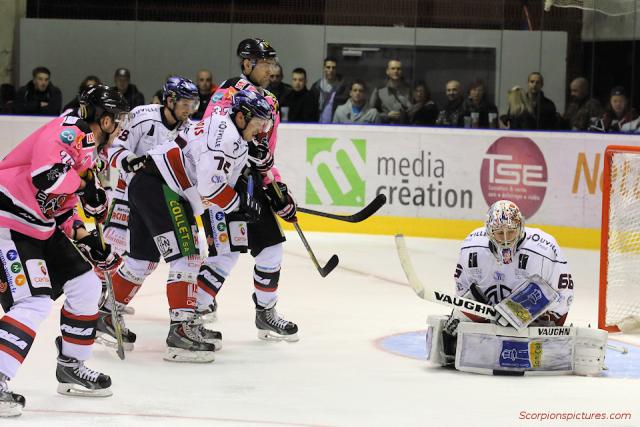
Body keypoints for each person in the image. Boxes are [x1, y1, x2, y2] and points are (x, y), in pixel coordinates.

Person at [0, 85, 128, 417]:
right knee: (33, 301)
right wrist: (86, 188)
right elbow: (47, 177)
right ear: (104, 118)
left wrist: (91, 242)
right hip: (8, 224)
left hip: (39, 226)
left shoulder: (88, 148)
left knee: (87, 284)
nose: (121, 126)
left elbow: (61, 207)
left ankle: (71, 365)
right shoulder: (65, 130)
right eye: (118, 119)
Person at [194, 38, 299, 343]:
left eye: (272, 64)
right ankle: (191, 316)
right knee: (224, 256)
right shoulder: (227, 92)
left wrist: (275, 187)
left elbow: (267, 153)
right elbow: (213, 136)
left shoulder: (272, 101)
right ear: (247, 64)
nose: (271, 70)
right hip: (223, 185)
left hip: (252, 183)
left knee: (271, 248)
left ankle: (266, 314)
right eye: (265, 64)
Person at [98, 77, 206, 357]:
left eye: (194, 104)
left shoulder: (190, 127)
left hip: (165, 196)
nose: (190, 110)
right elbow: (113, 150)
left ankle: (107, 314)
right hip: (133, 193)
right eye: (185, 104)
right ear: (169, 100)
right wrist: (128, 161)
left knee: (142, 261)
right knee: (179, 256)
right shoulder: (141, 117)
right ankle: (180, 328)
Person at [427, 200, 578, 374]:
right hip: (489, 311)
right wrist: (464, 313)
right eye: (499, 233)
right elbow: (462, 292)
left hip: (536, 315)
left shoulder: (544, 249)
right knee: (456, 324)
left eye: (511, 232)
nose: (506, 240)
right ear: (489, 232)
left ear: (521, 228)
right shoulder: (472, 247)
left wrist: (525, 313)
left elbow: (564, 296)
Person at [369, 59, 412, 125]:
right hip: (385, 128)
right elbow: (371, 112)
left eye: (398, 69)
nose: (396, 71)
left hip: (405, 128)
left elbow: (414, 111)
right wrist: (387, 116)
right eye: (393, 68)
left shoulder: (409, 89)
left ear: (401, 71)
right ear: (387, 71)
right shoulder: (379, 89)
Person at [310, 57, 348, 123]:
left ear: (336, 69)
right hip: (318, 125)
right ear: (324, 68)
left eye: (333, 68)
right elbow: (310, 109)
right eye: (328, 67)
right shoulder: (316, 87)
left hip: (336, 125)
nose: (331, 70)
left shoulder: (343, 88)